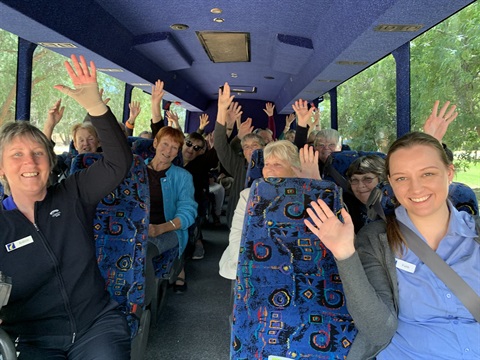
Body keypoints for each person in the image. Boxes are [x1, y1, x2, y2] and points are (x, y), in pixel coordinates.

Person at [0, 55, 132, 359]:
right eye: (16, 155)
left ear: (50, 161)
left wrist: (96, 107)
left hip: (95, 325)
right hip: (30, 340)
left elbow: (118, 163)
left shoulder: (73, 193)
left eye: (37, 153)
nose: (30, 162)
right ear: (1, 169)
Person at [305, 131, 480, 359]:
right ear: (391, 184)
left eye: (427, 174)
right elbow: (379, 330)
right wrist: (345, 254)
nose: (416, 188)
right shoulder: (375, 239)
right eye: (401, 178)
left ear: (449, 174)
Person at [219, 141, 320, 280]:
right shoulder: (248, 195)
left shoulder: (308, 195)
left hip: (298, 265)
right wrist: (246, 264)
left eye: (277, 164)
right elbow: (238, 233)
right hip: (251, 261)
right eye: (267, 164)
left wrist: (315, 186)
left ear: (294, 169)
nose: (269, 169)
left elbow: (325, 229)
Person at [146, 126, 197, 293]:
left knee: (143, 252)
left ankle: (140, 305)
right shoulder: (135, 171)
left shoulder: (183, 177)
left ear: (178, 152)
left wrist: (160, 228)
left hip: (168, 231)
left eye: (174, 147)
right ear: (155, 143)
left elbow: (188, 212)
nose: (168, 151)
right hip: (134, 229)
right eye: (165, 144)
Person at [214, 83, 266, 226]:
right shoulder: (238, 165)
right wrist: (222, 111)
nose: (250, 150)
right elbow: (219, 144)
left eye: (255, 146)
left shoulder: (271, 167)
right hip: (238, 221)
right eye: (246, 147)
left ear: (263, 148)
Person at [344, 155, 386, 233]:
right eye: (355, 180)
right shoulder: (347, 208)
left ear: (382, 180)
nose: (360, 186)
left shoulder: (394, 208)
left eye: (367, 179)